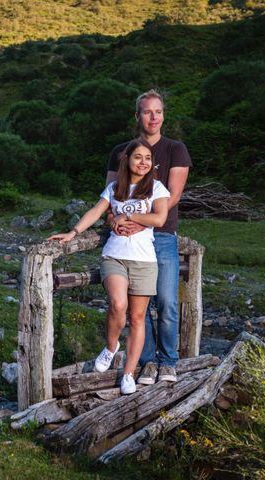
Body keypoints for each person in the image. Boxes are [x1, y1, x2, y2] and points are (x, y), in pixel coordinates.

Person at [49, 139, 169, 395]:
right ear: (128, 160)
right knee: (118, 305)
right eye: (138, 157)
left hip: (145, 261)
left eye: (148, 158)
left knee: (138, 319)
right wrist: (73, 233)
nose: (143, 162)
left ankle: (128, 373)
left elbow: (159, 218)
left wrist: (125, 216)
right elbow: (95, 212)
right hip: (114, 256)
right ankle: (111, 346)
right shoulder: (115, 188)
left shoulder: (157, 188)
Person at [106, 89, 192, 385]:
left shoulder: (175, 149)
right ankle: (148, 361)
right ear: (137, 116)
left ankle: (169, 361)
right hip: (127, 240)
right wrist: (114, 221)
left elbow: (174, 196)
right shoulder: (120, 151)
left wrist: (140, 223)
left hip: (162, 235)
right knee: (136, 307)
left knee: (166, 301)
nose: (153, 117)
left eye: (158, 111)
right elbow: (111, 197)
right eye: (147, 111)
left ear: (163, 115)